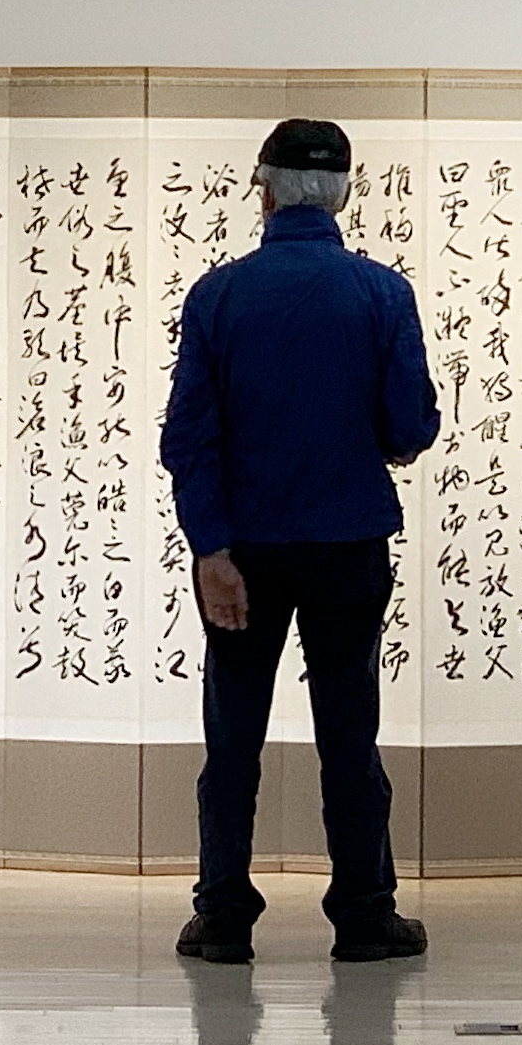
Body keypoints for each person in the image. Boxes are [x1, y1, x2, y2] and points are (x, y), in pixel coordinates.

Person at [158, 118, 441, 964]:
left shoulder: (218, 296)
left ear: (266, 192)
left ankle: (223, 916)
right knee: (349, 733)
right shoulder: (381, 293)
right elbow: (411, 423)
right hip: (348, 541)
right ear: (344, 195)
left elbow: (188, 438)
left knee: (232, 736)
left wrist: (210, 547)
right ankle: (363, 911)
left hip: (242, 548)